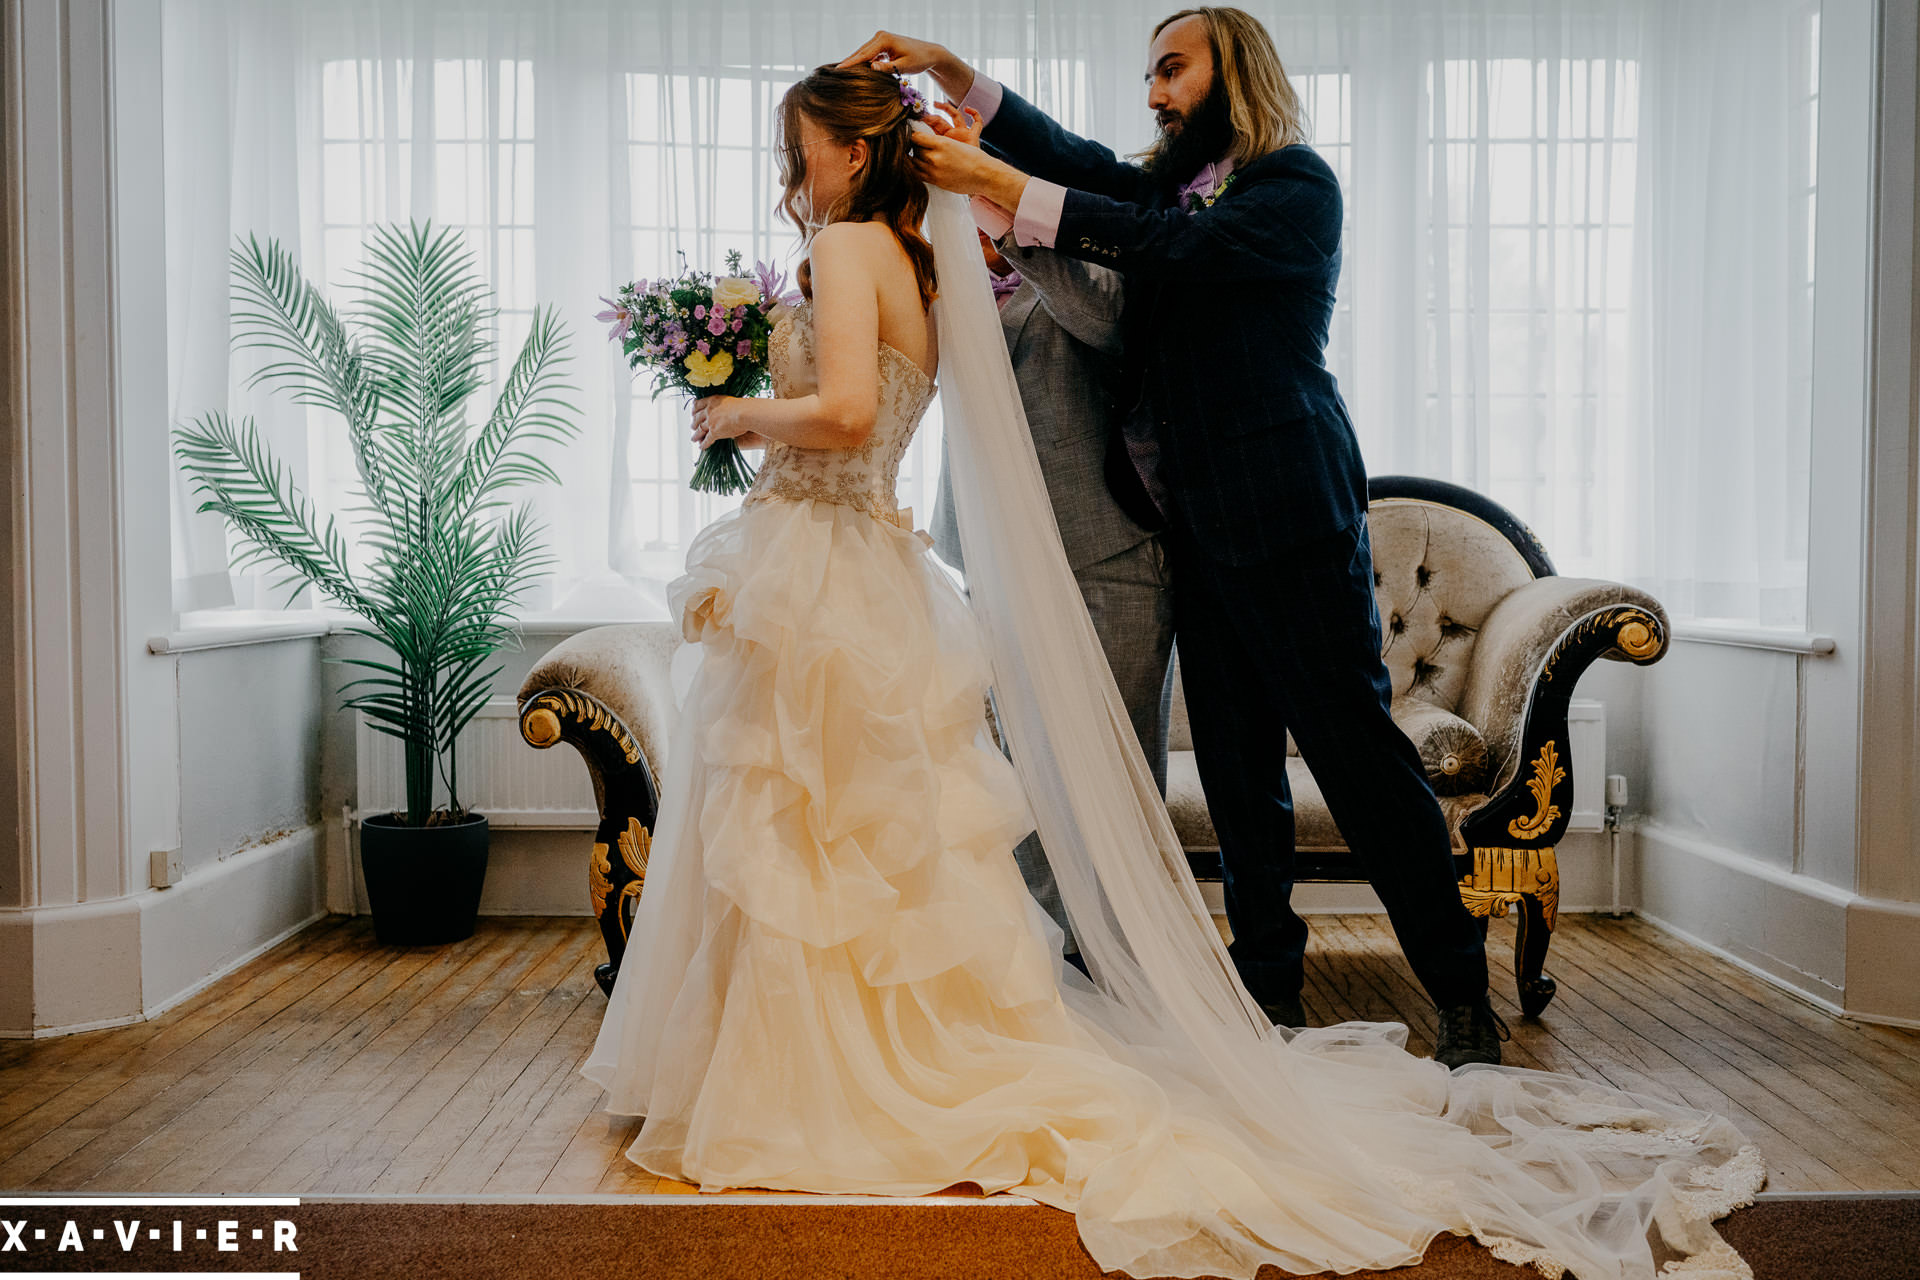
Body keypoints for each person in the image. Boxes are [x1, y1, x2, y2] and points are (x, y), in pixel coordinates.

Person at [847, 9, 1509, 1065]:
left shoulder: (1296, 187)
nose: (1153, 93)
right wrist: (957, 76)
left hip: (1290, 521)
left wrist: (1000, 186)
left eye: (1171, 70)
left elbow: (1172, 248)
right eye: (1149, 75)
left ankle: (1462, 990)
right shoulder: (1172, 185)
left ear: (1233, 70)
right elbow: (1082, 163)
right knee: (1241, 780)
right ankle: (1267, 992)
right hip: (1190, 529)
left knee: (1360, 763)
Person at [929, 204, 1173, 975]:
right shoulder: (949, 281)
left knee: (1117, 766)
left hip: (1105, 548)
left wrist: (1013, 232)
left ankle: (1128, 961)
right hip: (993, 556)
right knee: (1022, 770)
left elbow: (1106, 320)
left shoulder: (1088, 254)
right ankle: (1051, 961)